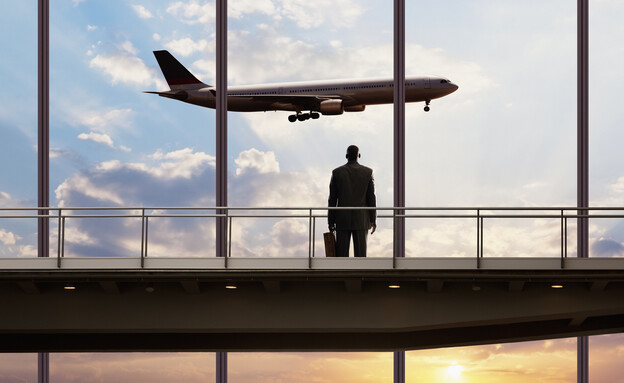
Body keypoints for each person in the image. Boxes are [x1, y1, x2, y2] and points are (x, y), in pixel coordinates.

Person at [328, 145, 377, 257]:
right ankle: (362, 275)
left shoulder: (337, 172)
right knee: (361, 257)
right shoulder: (368, 172)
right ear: (358, 155)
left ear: (346, 156)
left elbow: (332, 199)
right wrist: (373, 219)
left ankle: (342, 274)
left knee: (341, 257)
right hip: (362, 219)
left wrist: (330, 221)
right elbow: (371, 198)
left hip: (342, 219)